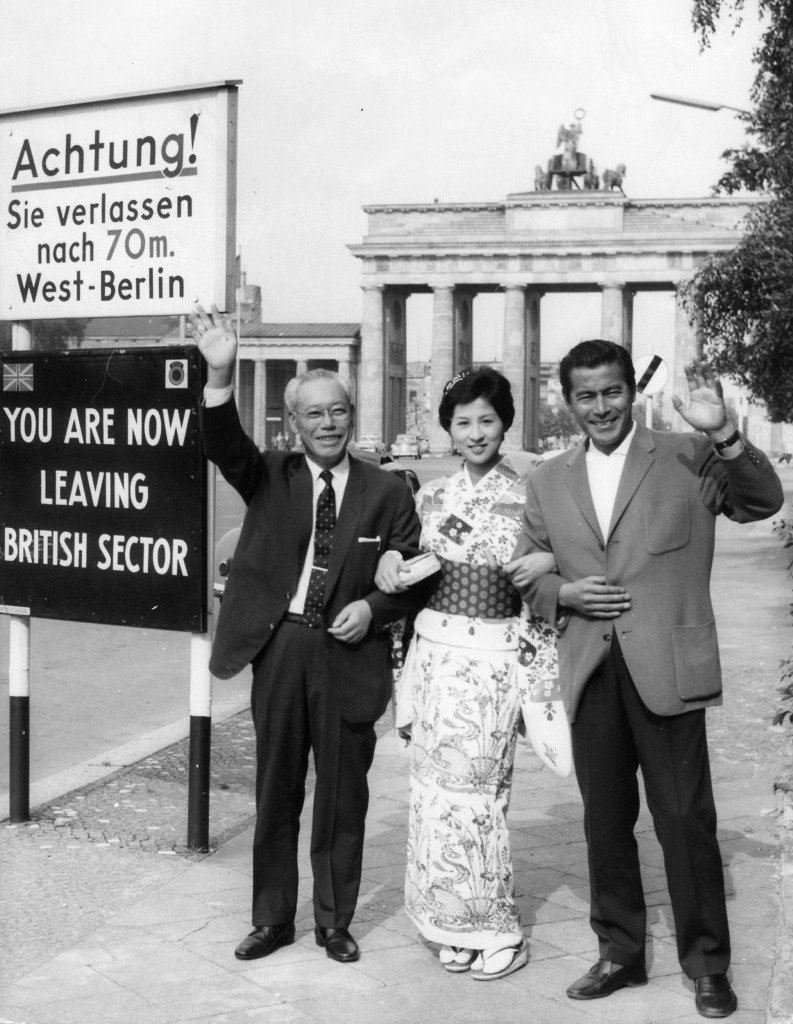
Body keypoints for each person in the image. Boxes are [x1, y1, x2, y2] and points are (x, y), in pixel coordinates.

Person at [512, 340, 784, 1018]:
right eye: (585, 395)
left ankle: (706, 964)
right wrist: (563, 595)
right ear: (567, 401)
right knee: (605, 820)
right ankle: (620, 952)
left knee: (684, 818)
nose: (599, 406)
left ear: (630, 391)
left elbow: (760, 502)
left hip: (668, 664)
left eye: (610, 391)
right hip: (591, 666)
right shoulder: (547, 478)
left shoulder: (687, 455)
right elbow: (526, 572)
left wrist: (721, 431)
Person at [189, 304, 427, 965]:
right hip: (283, 647)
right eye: (313, 414)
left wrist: (375, 609)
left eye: (338, 412)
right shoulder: (269, 474)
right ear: (294, 423)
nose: (327, 424)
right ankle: (271, 919)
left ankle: (333, 921)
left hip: (347, 653)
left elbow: (409, 572)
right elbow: (222, 443)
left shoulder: (387, 491)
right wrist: (219, 374)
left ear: (352, 417)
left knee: (343, 792)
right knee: (277, 788)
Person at [376, 367, 560, 981]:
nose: (476, 433)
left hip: (494, 656)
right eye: (462, 423)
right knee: (431, 795)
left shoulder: (533, 493)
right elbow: (404, 565)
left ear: (505, 422)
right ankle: (445, 921)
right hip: (435, 652)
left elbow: (560, 559)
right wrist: (391, 564)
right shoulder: (429, 498)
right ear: (448, 430)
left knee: (478, 794)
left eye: (487, 420)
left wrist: (549, 557)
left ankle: (495, 927)